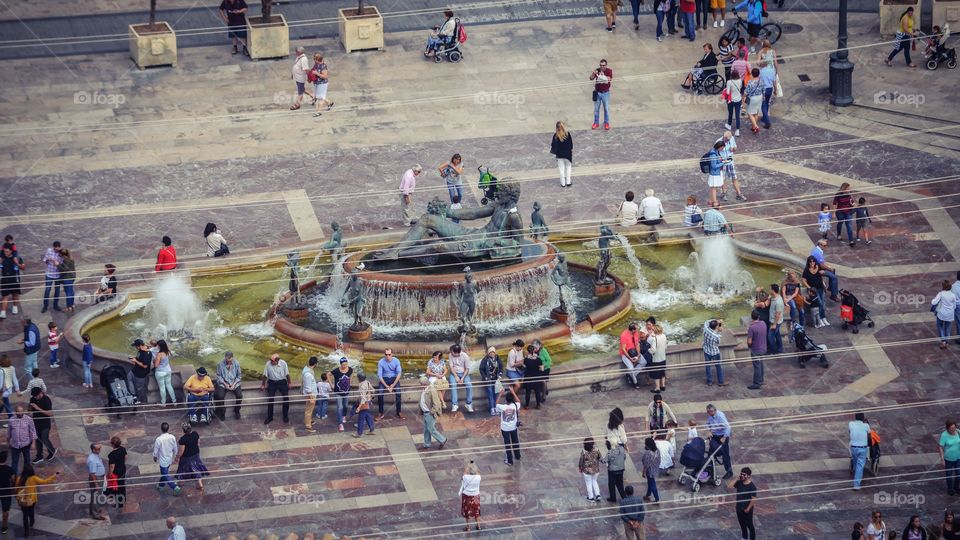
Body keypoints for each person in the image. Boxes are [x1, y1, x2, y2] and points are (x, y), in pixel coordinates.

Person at [14, 465, 58, 536]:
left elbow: (16, 489)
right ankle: (31, 522)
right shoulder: (33, 478)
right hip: (32, 499)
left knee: (25, 515)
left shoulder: (19, 478)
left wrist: (17, 497)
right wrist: (54, 476)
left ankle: (26, 532)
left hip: (23, 500)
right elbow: (44, 481)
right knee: (31, 511)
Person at [175, 423, 209, 491]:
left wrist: (177, 457)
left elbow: (181, 450)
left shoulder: (183, 439)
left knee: (183, 470)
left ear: (183, 430)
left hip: (186, 457)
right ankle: (200, 484)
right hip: (195, 454)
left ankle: (180, 483)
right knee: (196, 468)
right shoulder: (195, 434)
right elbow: (198, 443)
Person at [260, 353, 291, 425]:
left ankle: (285, 416)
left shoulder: (283, 363)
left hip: (282, 381)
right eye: (270, 360)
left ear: (277, 361)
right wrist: (263, 384)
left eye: (272, 360)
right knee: (270, 398)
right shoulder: (268, 364)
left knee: (286, 398)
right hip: (272, 382)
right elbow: (265, 375)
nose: (270, 361)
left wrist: (289, 383)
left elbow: (287, 374)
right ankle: (269, 417)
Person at [728, 467, 757, 540]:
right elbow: (729, 487)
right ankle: (744, 537)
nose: (742, 476)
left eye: (744, 475)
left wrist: (748, 509)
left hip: (747, 509)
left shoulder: (752, 486)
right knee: (742, 525)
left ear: (748, 476)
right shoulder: (739, 482)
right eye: (741, 474)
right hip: (739, 508)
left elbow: (753, 499)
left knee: (750, 525)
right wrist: (736, 479)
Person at [28, 388, 55, 465]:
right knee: (38, 440)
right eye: (34, 396)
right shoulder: (32, 399)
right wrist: (30, 408)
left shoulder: (46, 400)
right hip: (36, 423)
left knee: (44, 438)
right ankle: (39, 456)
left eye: (36, 396)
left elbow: (50, 413)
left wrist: (37, 408)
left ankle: (52, 451)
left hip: (45, 423)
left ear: (40, 393)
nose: (35, 397)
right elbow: (29, 410)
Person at [153, 422, 181, 496]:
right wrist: (176, 456)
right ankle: (160, 485)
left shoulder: (158, 439)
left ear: (161, 429)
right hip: (169, 459)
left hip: (163, 461)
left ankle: (174, 487)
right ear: (168, 429)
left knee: (165, 475)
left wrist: (155, 457)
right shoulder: (172, 437)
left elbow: (156, 450)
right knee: (164, 473)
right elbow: (175, 448)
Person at [706, 404, 733, 479]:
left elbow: (728, 427)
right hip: (714, 435)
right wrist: (709, 431)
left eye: (710, 411)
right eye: (708, 411)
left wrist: (724, 437)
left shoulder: (720, 416)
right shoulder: (710, 416)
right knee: (711, 453)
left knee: (725, 455)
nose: (709, 413)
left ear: (715, 410)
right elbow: (708, 424)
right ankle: (709, 469)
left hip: (722, 436)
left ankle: (729, 472)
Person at [376, 349, 404, 420]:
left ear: (392, 354)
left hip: (394, 378)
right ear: (384, 355)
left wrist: (393, 385)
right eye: (386, 354)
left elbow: (399, 374)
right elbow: (380, 376)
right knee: (380, 393)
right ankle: (381, 413)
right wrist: (387, 386)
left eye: (389, 354)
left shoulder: (396, 361)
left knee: (398, 393)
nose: (387, 356)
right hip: (384, 378)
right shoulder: (381, 362)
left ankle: (399, 412)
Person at [717, 131, 745, 201]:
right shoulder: (718, 142)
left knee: (734, 178)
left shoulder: (732, 138)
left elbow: (735, 148)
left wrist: (733, 149)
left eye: (728, 140)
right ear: (724, 137)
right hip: (723, 164)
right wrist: (720, 161)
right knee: (723, 179)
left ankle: (739, 194)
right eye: (726, 140)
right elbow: (716, 153)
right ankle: (723, 194)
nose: (727, 141)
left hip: (730, 163)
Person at [8, 405, 36, 474]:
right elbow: (9, 432)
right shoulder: (11, 420)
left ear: (23, 411)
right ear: (15, 412)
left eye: (21, 411)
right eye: (18, 412)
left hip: (25, 444)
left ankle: (26, 475)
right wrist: (8, 442)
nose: (20, 413)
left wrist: (33, 443)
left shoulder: (29, 419)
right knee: (14, 461)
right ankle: (14, 477)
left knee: (27, 461)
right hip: (15, 445)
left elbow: (33, 431)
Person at [214, 351, 242, 420]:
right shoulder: (220, 364)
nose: (229, 362)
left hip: (234, 382)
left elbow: (239, 376)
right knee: (220, 396)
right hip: (223, 383)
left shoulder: (236, 363)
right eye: (227, 361)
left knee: (239, 396)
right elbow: (218, 376)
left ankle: (237, 411)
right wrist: (225, 384)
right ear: (225, 358)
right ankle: (222, 412)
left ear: (232, 358)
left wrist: (234, 384)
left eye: (230, 361)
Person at [419, 379, 446, 450]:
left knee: (431, 429)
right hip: (426, 413)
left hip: (429, 413)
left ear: (425, 384)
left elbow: (436, 404)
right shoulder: (425, 389)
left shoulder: (432, 390)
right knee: (426, 429)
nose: (420, 386)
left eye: (421, 384)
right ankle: (426, 444)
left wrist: (431, 412)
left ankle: (442, 440)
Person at [802, 256, 829, 326]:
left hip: (820, 288)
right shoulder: (806, 270)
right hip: (813, 291)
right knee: (819, 303)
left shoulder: (818, 267)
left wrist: (824, 284)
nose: (812, 263)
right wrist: (809, 287)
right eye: (810, 262)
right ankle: (820, 319)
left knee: (822, 303)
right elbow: (803, 280)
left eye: (813, 261)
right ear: (808, 262)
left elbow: (821, 277)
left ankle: (823, 318)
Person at [497, 392, 521, 465]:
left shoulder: (502, 407)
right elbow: (518, 401)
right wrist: (513, 392)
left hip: (505, 429)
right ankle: (517, 455)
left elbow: (496, 403)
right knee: (515, 441)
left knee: (507, 444)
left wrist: (500, 394)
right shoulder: (515, 405)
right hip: (513, 427)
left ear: (506, 400)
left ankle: (510, 460)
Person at [447, 344, 473, 413]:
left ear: (457, 353)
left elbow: (467, 368)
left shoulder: (465, 356)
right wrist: (456, 376)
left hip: (464, 373)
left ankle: (468, 403)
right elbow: (451, 367)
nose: (451, 353)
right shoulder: (450, 355)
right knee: (453, 385)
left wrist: (462, 378)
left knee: (469, 385)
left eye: (452, 352)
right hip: (454, 373)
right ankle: (455, 404)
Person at [0, 245, 23, 319]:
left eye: (7, 251)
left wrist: (17, 263)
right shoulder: (2, 258)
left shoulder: (17, 258)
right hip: (5, 280)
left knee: (15, 294)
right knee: (5, 296)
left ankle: (15, 307)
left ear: (11, 251)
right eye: (4, 251)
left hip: (14, 280)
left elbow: (23, 267)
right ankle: (3, 312)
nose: (5, 253)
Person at [330, 358, 353, 432]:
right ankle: (340, 424)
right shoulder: (336, 370)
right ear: (340, 364)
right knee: (340, 407)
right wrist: (331, 384)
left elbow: (352, 374)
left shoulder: (350, 369)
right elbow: (328, 374)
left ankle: (344, 416)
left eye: (346, 364)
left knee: (345, 406)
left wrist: (350, 381)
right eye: (343, 365)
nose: (345, 366)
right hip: (338, 392)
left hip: (346, 392)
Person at [746, 310, 767, 390]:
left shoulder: (752, 328)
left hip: (756, 349)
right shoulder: (763, 323)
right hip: (763, 348)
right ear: (759, 316)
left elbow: (749, 341)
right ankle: (761, 380)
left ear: (751, 317)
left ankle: (757, 383)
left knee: (757, 366)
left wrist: (749, 346)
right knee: (761, 364)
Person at [932, 280, 957, 349]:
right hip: (950, 314)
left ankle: (943, 341)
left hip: (941, 313)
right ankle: (947, 341)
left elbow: (934, 302)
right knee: (948, 327)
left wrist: (933, 300)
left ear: (943, 286)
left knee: (940, 326)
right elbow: (954, 306)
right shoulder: (953, 295)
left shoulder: (941, 294)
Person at [479, 346, 503, 416]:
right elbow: (481, 369)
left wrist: (500, 375)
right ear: (488, 353)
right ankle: (492, 408)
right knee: (490, 393)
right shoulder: (485, 359)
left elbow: (501, 367)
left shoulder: (498, 359)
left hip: (496, 379)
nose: (492, 354)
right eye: (490, 352)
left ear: (495, 353)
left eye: (493, 352)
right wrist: (485, 377)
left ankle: (496, 407)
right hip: (488, 379)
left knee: (497, 393)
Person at [85, 442, 107, 520]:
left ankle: (93, 510)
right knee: (96, 496)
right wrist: (96, 484)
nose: (100, 450)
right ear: (93, 449)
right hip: (97, 478)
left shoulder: (95, 455)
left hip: (99, 477)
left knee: (95, 495)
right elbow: (93, 474)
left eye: (100, 448)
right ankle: (96, 515)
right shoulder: (92, 460)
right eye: (98, 449)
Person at [151, 339, 176, 406]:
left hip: (160, 372)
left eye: (157, 345)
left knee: (162, 388)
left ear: (159, 346)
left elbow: (156, 365)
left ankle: (163, 403)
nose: (157, 346)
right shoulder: (168, 351)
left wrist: (154, 360)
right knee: (169, 386)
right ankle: (174, 401)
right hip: (168, 371)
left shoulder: (159, 354)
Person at [459, 461, 482, 531]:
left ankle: (468, 527)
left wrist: (468, 466)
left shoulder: (465, 477)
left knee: (467, 512)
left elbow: (464, 473)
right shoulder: (478, 477)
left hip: (467, 496)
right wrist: (474, 466)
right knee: (476, 511)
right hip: (475, 496)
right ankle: (478, 526)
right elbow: (478, 472)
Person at [40, 241, 62, 313]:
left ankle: (55, 305)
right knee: (47, 290)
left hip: (57, 275)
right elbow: (45, 260)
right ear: (53, 247)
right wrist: (48, 260)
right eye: (55, 249)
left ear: (59, 247)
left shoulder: (61, 253)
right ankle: (45, 306)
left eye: (57, 249)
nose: (56, 251)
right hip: (49, 274)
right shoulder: (49, 251)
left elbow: (63, 264)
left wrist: (57, 263)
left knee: (57, 290)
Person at [590, 59, 613, 130]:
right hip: (598, 92)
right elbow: (591, 78)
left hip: (605, 93)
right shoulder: (597, 70)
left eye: (603, 65)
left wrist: (603, 75)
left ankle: (606, 123)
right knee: (596, 109)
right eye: (600, 65)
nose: (601, 67)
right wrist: (593, 73)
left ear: (606, 65)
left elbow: (609, 79)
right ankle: (596, 123)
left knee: (606, 109)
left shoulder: (609, 71)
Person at [850, 412, 870, 490]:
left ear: (855, 417)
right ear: (863, 418)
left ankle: (856, 477)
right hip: (862, 448)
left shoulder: (851, 424)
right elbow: (869, 434)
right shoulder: (866, 425)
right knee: (860, 466)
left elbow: (850, 432)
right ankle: (856, 485)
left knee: (856, 464)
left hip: (853, 448)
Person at [579, 437, 603, 502]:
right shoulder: (596, 449)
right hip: (596, 470)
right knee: (594, 481)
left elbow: (581, 460)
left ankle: (591, 497)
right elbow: (600, 458)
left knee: (588, 484)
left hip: (587, 471)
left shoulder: (584, 451)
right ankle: (598, 495)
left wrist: (580, 467)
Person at [550, 121, 574, 188]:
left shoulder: (555, 136)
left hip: (559, 155)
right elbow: (571, 145)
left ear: (556, 127)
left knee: (561, 169)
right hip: (567, 155)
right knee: (568, 168)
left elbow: (553, 145)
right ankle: (568, 182)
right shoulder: (567, 134)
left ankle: (563, 183)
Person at [106, 436, 127, 510]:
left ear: (112, 444)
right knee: (122, 485)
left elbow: (112, 466)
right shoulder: (123, 449)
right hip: (123, 470)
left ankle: (119, 503)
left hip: (116, 473)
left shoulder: (112, 455)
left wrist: (109, 474)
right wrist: (121, 463)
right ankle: (123, 499)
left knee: (117, 487)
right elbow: (125, 457)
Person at [703, 318, 725, 386]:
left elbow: (706, 321)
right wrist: (719, 324)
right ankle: (720, 382)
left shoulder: (706, 328)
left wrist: (717, 321)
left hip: (706, 350)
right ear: (716, 327)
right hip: (715, 352)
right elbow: (718, 343)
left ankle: (709, 382)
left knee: (708, 366)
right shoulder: (716, 336)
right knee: (718, 367)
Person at [833, 182, 856, 247]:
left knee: (849, 226)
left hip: (848, 212)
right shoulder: (838, 195)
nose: (849, 190)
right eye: (848, 188)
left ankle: (851, 240)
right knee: (840, 223)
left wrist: (853, 204)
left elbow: (852, 202)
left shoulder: (849, 194)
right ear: (844, 188)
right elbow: (834, 203)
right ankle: (839, 234)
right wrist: (834, 212)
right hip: (840, 212)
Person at [941, 420, 960, 495]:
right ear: (947, 428)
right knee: (949, 475)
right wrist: (942, 459)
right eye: (951, 428)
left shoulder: (958, 432)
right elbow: (940, 447)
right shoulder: (944, 435)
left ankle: (956, 487)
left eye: (954, 427)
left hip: (958, 457)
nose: (953, 429)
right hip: (948, 459)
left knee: (959, 474)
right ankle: (950, 489)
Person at [521, 345, 543, 409]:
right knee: (537, 392)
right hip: (536, 377)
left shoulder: (526, 360)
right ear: (534, 350)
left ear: (528, 351)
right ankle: (538, 405)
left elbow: (523, 367)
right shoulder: (538, 359)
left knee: (528, 392)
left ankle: (527, 405)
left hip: (528, 377)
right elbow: (542, 369)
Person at [646, 324, 667, 393]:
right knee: (662, 372)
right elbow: (665, 346)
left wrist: (649, 350)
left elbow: (653, 350)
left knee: (656, 374)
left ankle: (657, 388)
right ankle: (663, 385)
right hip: (663, 357)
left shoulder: (654, 339)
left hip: (656, 359)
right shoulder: (664, 336)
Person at [289, 46, 311, 111]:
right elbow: (296, 66)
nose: (295, 53)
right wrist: (293, 74)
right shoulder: (299, 57)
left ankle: (297, 104)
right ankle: (313, 96)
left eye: (296, 52)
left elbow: (306, 69)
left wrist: (308, 78)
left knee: (300, 92)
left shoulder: (304, 59)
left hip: (300, 78)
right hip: (297, 77)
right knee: (302, 89)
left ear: (299, 52)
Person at [704, 140, 725, 206]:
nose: (722, 149)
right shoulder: (713, 154)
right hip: (714, 173)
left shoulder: (715, 151)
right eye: (722, 148)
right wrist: (723, 163)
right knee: (714, 188)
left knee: (713, 187)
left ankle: (711, 200)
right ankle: (714, 202)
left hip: (715, 173)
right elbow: (714, 166)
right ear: (719, 147)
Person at [354, 373, 376, 437]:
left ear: (359, 378)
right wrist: (371, 396)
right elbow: (373, 390)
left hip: (364, 403)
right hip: (368, 401)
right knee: (368, 416)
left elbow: (363, 399)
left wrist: (359, 407)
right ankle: (371, 429)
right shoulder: (367, 382)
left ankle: (359, 433)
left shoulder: (362, 386)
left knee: (361, 418)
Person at [301, 357, 319, 433]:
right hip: (311, 394)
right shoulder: (308, 375)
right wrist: (311, 398)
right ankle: (308, 426)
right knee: (309, 410)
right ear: (315, 364)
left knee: (309, 409)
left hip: (311, 393)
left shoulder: (307, 369)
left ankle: (309, 420)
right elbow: (308, 388)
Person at [640, 437, 660, 503]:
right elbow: (659, 460)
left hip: (650, 471)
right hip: (655, 469)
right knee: (650, 482)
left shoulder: (648, 453)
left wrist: (644, 472)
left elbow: (646, 464)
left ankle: (657, 498)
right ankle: (648, 495)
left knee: (652, 483)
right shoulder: (657, 450)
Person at [56, 248, 77, 313]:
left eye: (59, 254)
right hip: (72, 277)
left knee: (68, 292)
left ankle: (69, 307)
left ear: (62, 254)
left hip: (67, 278)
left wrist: (57, 265)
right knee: (71, 291)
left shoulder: (65, 260)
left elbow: (64, 269)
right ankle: (72, 305)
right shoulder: (71, 259)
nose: (58, 255)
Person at [767, 283, 785, 355]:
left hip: (775, 322)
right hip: (774, 321)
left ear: (773, 290)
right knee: (777, 335)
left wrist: (774, 324)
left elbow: (778, 314)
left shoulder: (778, 302)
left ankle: (774, 351)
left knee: (770, 337)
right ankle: (780, 349)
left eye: (770, 289)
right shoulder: (774, 297)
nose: (769, 290)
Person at [725, 71, 743, 137]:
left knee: (730, 113)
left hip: (731, 100)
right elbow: (740, 87)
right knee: (737, 115)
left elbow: (727, 92)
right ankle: (737, 130)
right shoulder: (740, 80)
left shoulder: (729, 82)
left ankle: (729, 125)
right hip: (738, 99)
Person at [0, 451, 12, 534]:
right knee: (5, 510)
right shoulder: (9, 469)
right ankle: (4, 527)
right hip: (6, 491)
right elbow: (13, 479)